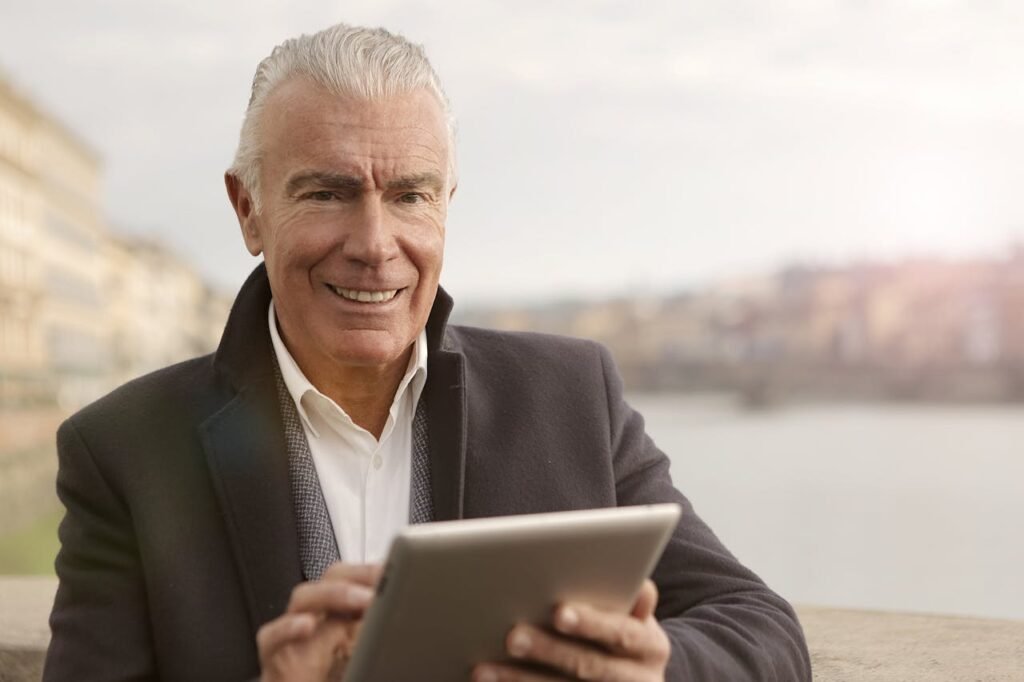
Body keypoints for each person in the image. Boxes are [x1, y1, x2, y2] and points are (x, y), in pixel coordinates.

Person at [43, 23, 812, 682]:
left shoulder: (574, 394)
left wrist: (655, 666)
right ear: (249, 210)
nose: (376, 246)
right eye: (327, 193)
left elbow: (762, 630)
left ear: (446, 205)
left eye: (409, 195)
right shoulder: (121, 453)